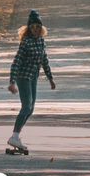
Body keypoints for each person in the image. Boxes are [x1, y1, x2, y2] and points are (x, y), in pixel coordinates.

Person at [6, 9, 56, 155]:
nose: (35, 29)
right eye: (32, 27)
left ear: (41, 28)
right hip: (23, 77)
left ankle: (16, 136)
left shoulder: (41, 41)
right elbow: (16, 62)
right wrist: (12, 81)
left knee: (31, 108)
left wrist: (50, 79)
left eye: (37, 27)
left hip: (33, 77)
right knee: (26, 106)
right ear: (28, 28)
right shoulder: (26, 42)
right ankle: (14, 136)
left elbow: (44, 60)